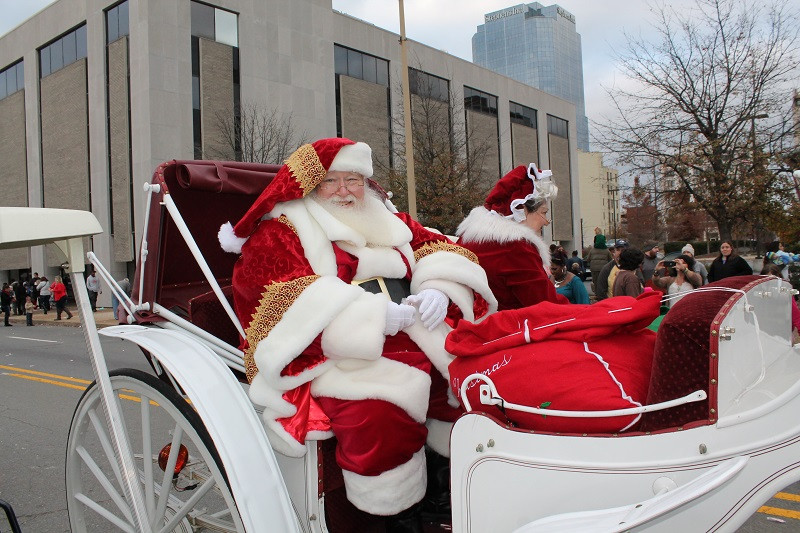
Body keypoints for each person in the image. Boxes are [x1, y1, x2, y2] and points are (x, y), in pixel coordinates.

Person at [219, 138, 496, 529]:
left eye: (353, 180)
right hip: (339, 352)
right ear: (311, 184)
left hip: (414, 331)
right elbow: (270, 293)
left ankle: (445, 488)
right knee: (377, 410)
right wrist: (367, 316)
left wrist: (438, 287)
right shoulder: (282, 228)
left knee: (475, 379)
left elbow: (436, 244)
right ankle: (391, 509)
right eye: (331, 181)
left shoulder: (385, 217)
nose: (345, 191)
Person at [456, 162, 566, 310]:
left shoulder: (468, 240)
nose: (546, 222)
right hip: (508, 330)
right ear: (521, 210)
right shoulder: (515, 249)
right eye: (544, 213)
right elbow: (548, 307)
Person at [761, 263, 800, 344]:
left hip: (783, 332)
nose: (770, 284)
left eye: (773, 280)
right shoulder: (758, 292)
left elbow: (795, 313)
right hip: (764, 333)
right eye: (767, 280)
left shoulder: (786, 291)